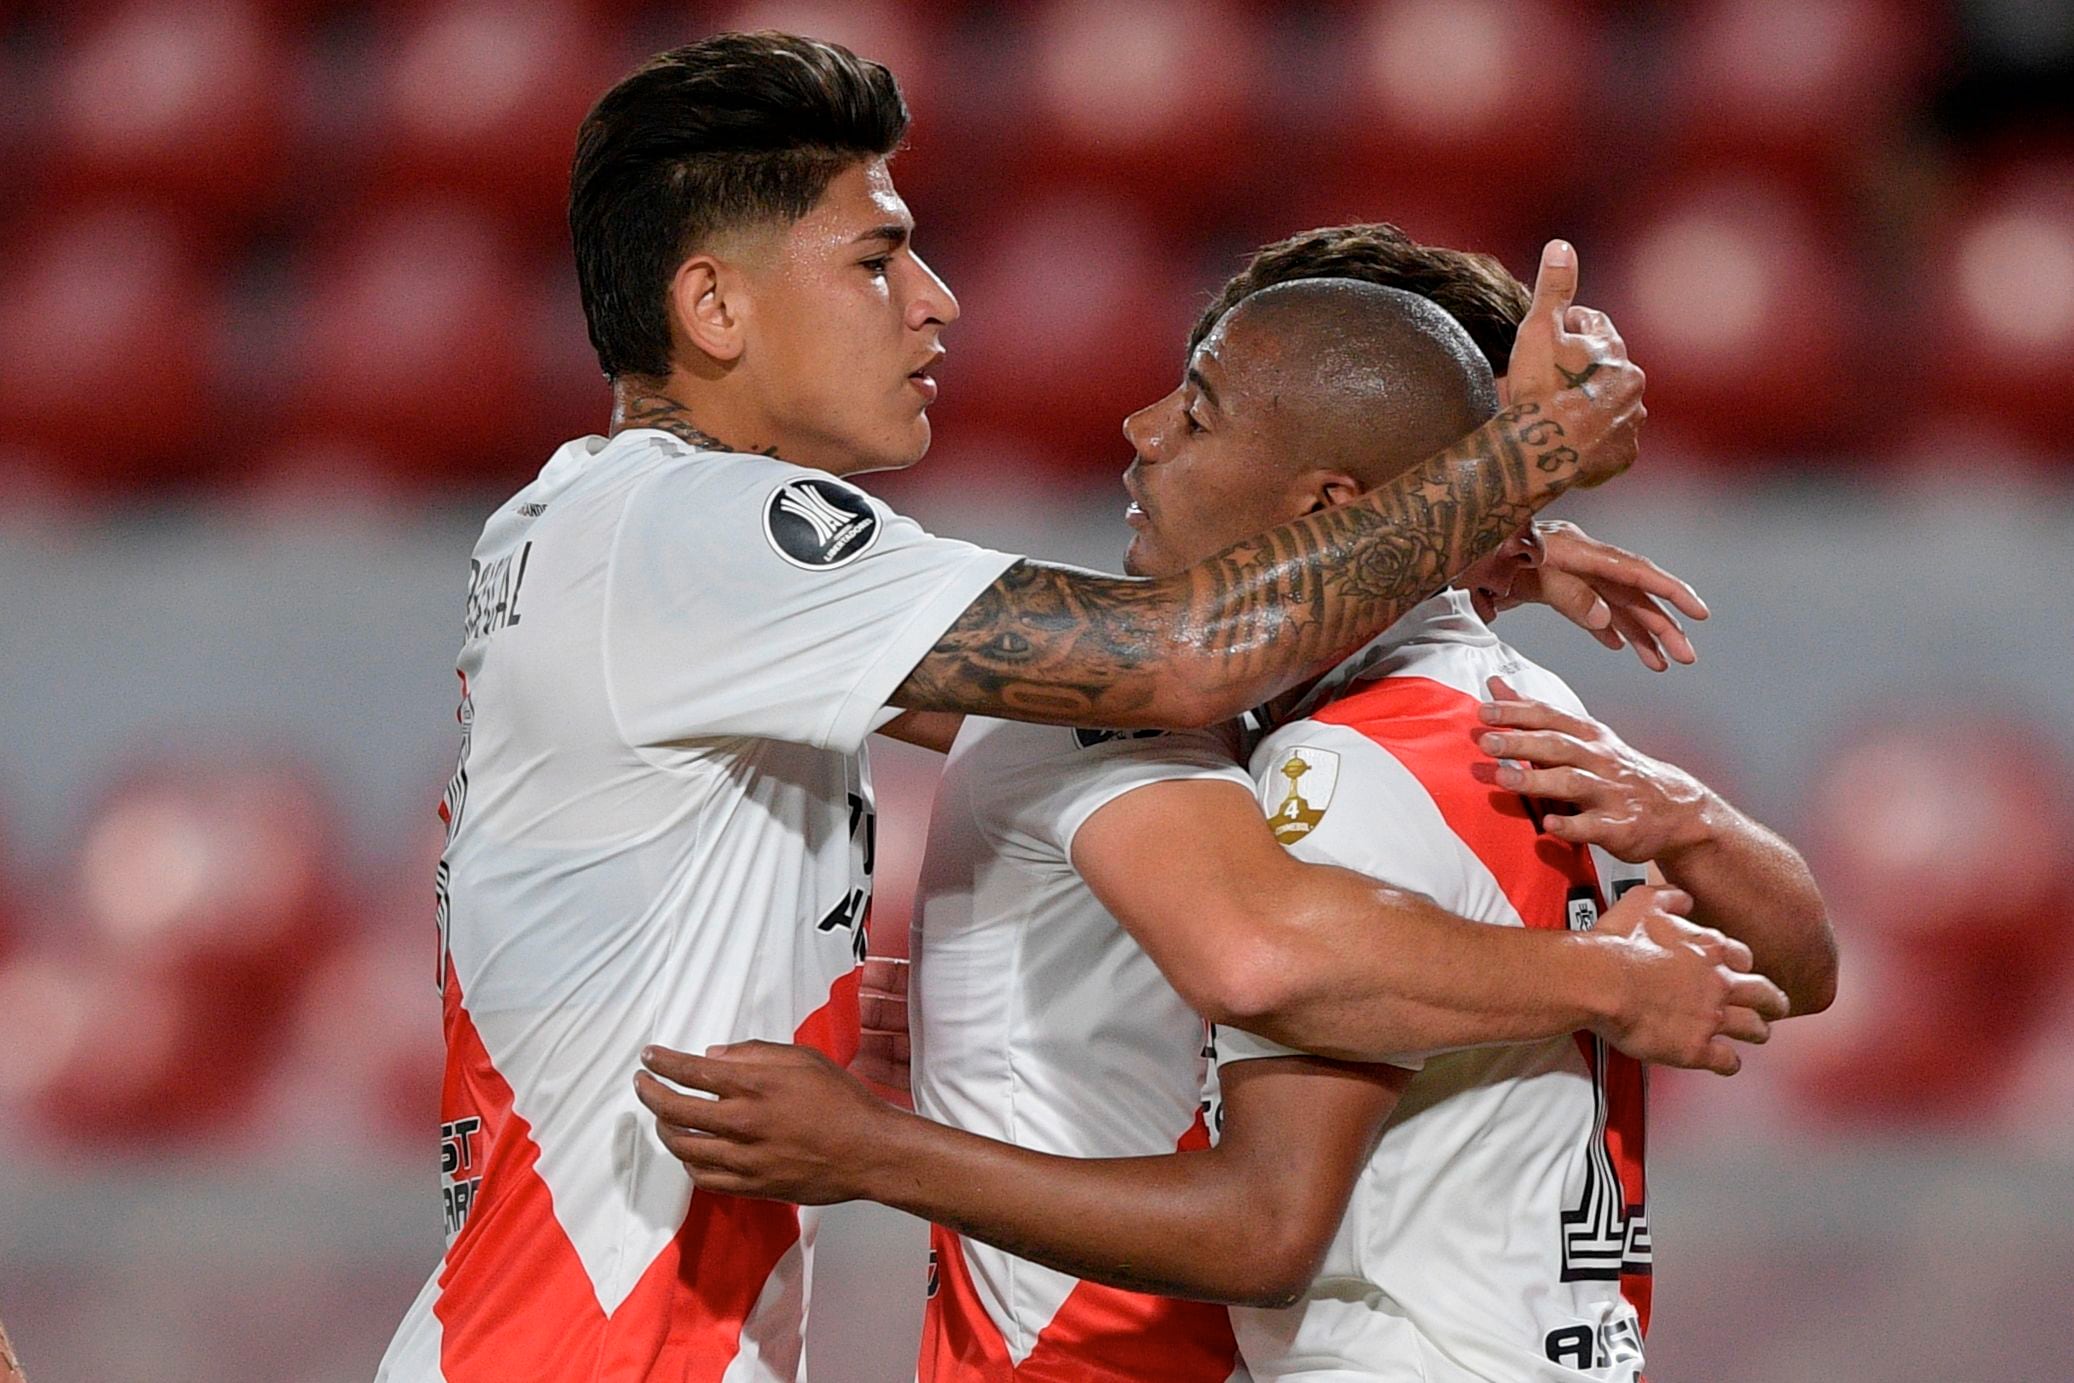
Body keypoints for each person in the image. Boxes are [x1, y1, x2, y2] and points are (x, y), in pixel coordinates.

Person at [374, 26, 1662, 1380]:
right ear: (715, 307)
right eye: (876, 260)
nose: (933, 302)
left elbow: (1111, 693)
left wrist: (1459, 569)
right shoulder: (702, 525)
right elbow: (1176, 657)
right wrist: (1509, 468)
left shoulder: (597, 531)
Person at [635, 236, 1835, 1381]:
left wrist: (870, 1151)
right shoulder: (1514, 709)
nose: (1141, 432)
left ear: (1333, 502)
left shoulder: (1347, 766)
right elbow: (1794, 972)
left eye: (1199, 408)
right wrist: (1497, 559)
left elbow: (1265, 1212)